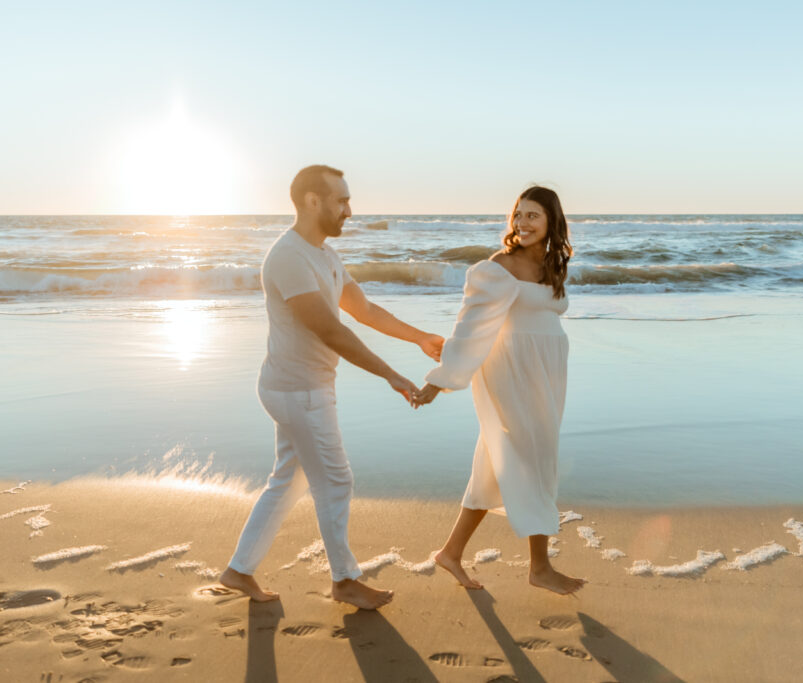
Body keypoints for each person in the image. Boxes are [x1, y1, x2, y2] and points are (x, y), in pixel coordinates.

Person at [220, 165, 444, 610]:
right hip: (297, 389)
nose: (350, 210)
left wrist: (419, 337)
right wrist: (392, 375)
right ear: (312, 201)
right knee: (336, 479)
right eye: (341, 200)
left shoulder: (323, 255)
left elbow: (362, 310)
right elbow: (330, 331)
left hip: (302, 387)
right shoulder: (288, 257)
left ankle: (239, 571)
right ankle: (345, 580)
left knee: (289, 478)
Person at [413, 186, 585, 595]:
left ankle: (450, 553)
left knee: (497, 461)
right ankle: (540, 567)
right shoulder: (498, 267)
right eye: (518, 215)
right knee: (535, 458)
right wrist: (439, 379)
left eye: (533, 216)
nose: (522, 223)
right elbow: (470, 328)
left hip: (547, 373)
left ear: (551, 222)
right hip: (511, 371)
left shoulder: (551, 265)